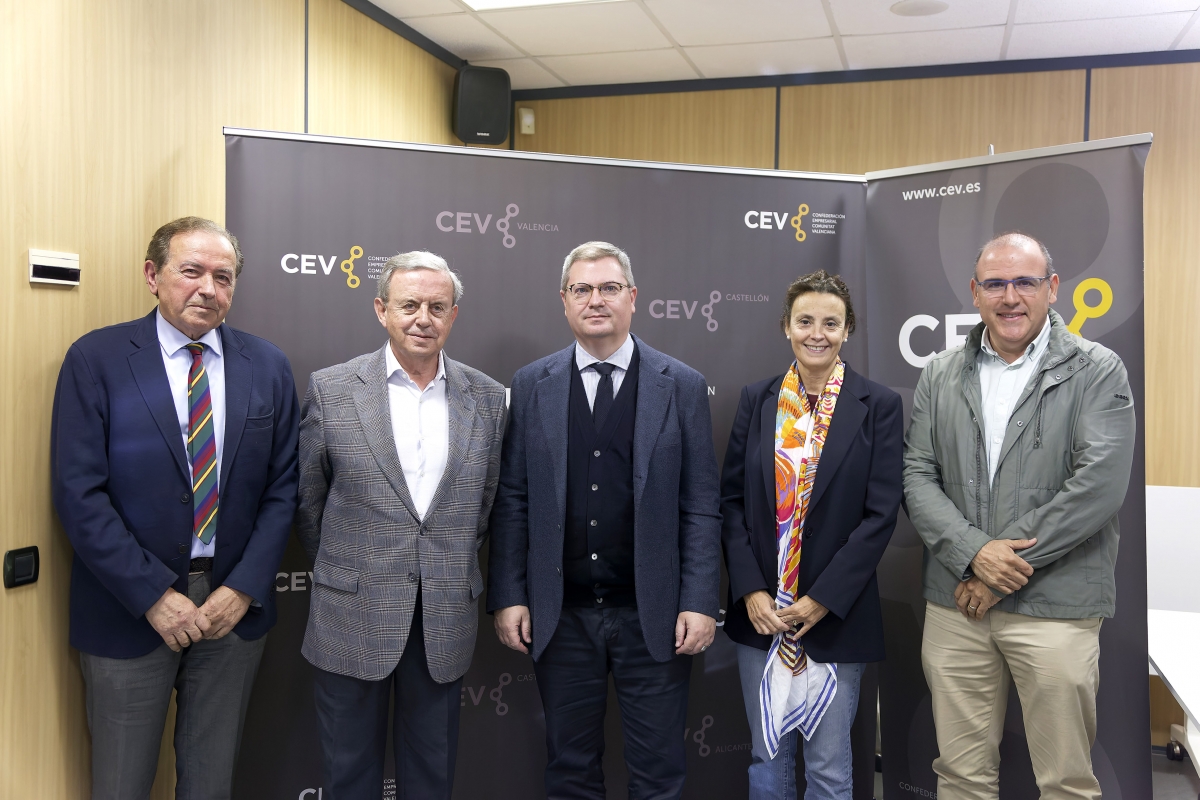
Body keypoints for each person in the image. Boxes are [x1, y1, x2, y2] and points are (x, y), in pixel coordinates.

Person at [50, 216, 299, 799]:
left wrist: (241, 590)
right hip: (128, 610)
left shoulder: (268, 365)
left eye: (223, 276)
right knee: (120, 784)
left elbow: (283, 487)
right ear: (152, 276)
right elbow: (78, 493)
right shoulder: (97, 359)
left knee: (211, 784)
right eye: (191, 271)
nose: (207, 289)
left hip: (231, 613)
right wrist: (152, 597)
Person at [904, 232, 1136, 800]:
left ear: (1052, 289)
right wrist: (973, 558)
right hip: (959, 605)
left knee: (1065, 781)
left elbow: (1098, 488)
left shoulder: (1097, 370)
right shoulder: (938, 373)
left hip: (1055, 605)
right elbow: (917, 475)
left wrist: (995, 566)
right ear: (975, 294)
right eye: (996, 284)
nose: (1011, 297)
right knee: (959, 776)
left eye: (1025, 282)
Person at [487, 241, 722, 799]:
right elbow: (513, 497)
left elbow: (700, 504)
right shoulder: (531, 384)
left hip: (655, 616)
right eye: (582, 289)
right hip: (560, 616)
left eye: (609, 288)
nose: (597, 300)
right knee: (569, 771)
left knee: (659, 773)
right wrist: (509, 595)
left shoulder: (681, 384)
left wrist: (697, 599)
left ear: (633, 298)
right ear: (564, 302)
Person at [295, 251, 506, 800]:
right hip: (351, 615)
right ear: (381, 309)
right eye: (409, 304)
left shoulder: (487, 397)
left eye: (438, 306)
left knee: (432, 777)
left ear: (454, 315)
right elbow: (311, 503)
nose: (423, 318)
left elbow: (485, 505)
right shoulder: (333, 389)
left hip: (442, 618)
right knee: (346, 777)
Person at [720, 269, 903, 799]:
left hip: (835, 615)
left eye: (831, 322)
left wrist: (822, 599)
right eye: (805, 321)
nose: (816, 333)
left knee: (828, 764)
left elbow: (881, 514)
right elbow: (731, 503)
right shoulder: (758, 400)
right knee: (766, 758)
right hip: (763, 613)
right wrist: (751, 590)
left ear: (848, 331)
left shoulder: (879, 406)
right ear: (786, 327)